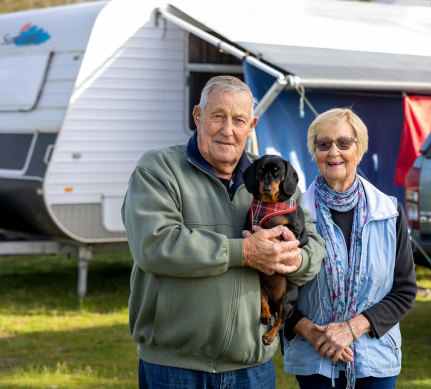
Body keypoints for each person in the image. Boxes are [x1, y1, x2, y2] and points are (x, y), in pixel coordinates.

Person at [121, 75, 326, 389]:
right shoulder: (159, 169)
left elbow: (314, 249)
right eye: (218, 116)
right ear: (198, 116)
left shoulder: (275, 175)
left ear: (252, 125)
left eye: (239, 119)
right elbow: (155, 245)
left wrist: (291, 259)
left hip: (252, 370)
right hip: (175, 369)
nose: (228, 130)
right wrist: (243, 252)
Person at [283, 108, 418, 389]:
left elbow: (404, 291)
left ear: (359, 149)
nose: (334, 152)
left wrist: (350, 329)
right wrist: (313, 333)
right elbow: (274, 291)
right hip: (314, 360)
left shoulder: (389, 211)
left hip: (376, 358)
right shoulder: (294, 215)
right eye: (324, 144)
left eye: (344, 143)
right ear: (314, 151)